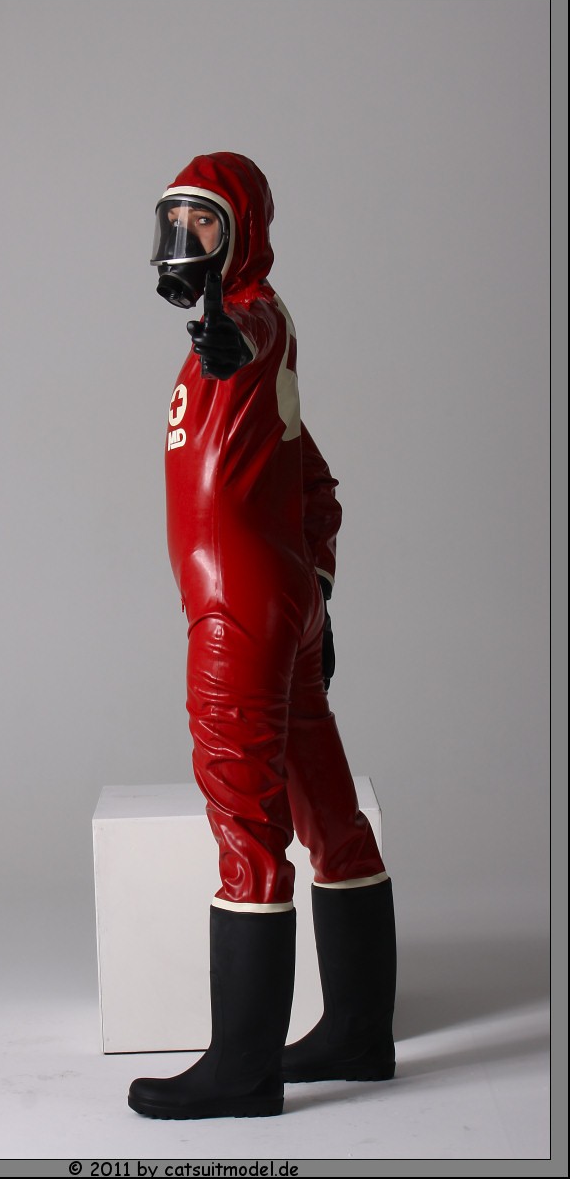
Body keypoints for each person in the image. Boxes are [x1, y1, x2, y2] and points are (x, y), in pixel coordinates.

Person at [128, 153, 396, 1121]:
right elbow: (311, 477)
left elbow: (241, 333)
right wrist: (315, 586)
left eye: (203, 222)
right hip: (277, 601)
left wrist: (222, 335)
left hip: (233, 615)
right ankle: (358, 1032)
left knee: (246, 824)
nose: (183, 240)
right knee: (328, 810)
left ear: (243, 228)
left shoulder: (249, 323)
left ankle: (242, 1071)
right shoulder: (264, 361)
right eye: (175, 221)